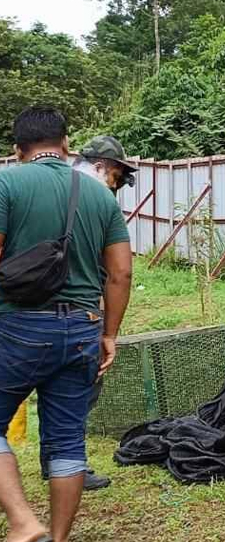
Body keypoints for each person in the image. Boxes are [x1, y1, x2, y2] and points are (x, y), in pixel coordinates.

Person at [0, 107, 133, 542]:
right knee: (66, 443)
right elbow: (120, 274)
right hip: (83, 330)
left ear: (19, 149)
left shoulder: (7, 182)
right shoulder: (100, 196)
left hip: (19, 327)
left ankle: (23, 523)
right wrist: (109, 334)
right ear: (66, 143)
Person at [37, 136, 138, 492]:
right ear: (98, 167)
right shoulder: (96, 202)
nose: (114, 187)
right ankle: (66, 462)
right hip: (78, 316)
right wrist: (108, 332)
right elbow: (119, 272)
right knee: (76, 392)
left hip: (26, 315)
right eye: (114, 177)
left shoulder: (43, 190)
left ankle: (54, 461)